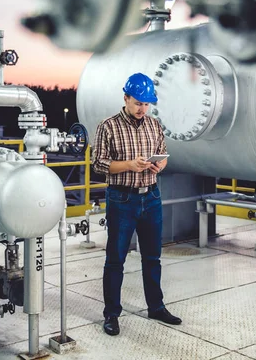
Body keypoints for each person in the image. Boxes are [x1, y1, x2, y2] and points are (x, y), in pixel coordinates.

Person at [92, 72, 182, 336]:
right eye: (138, 103)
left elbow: (164, 156)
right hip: (122, 199)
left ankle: (156, 307)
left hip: (151, 196)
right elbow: (98, 164)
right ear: (126, 98)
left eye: (146, 104)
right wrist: (129, 165)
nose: (142, 109)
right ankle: (111, 315)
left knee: (152, 257)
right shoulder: (108, 126)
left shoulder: (154, 125)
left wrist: (159, 163)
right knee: (115, 260)